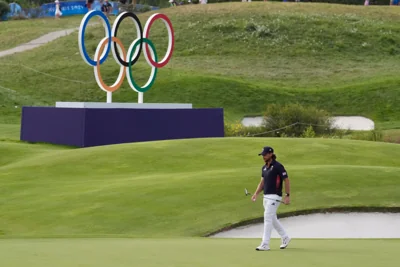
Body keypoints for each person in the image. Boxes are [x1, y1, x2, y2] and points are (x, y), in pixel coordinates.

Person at [251, 146, 291, 251]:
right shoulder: (264, 168)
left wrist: (287, 195)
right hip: (266, 196)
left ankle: (265, 244)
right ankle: (285, 237)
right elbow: (262, 182)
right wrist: (256, 193)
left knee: (267, 217)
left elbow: (286, 180)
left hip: (275, 196)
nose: (263, 156)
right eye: (262, 155)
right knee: (272, 219)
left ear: (271, 154)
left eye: (265, 154)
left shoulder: (278, 166)